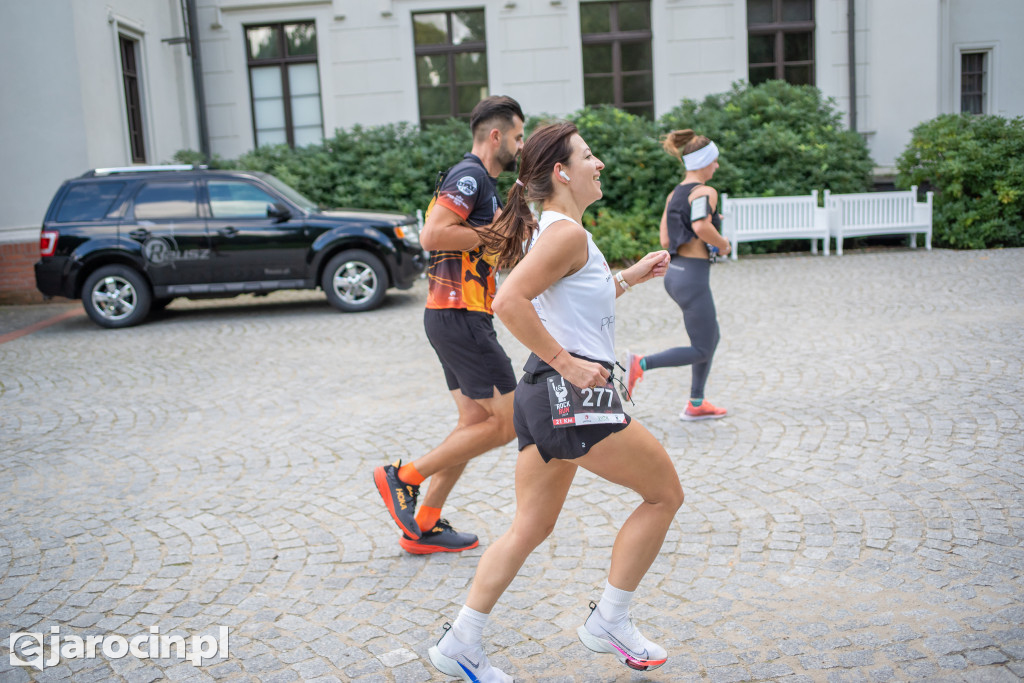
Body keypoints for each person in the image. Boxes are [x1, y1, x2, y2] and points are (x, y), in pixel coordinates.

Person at [427, 122, 684, 682]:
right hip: (568, 394)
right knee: (664, 495)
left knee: (529, 528)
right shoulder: (563, 234)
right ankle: (610, 621)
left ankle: (460, 643)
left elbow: (570, 302)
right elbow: (509, 301)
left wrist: (630, 278)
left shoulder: (558, 232)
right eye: (590, 156)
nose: (601, 165)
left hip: (541, 394)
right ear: (562, 172)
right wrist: (569, 363)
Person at [373, 96, 525, 555]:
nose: (520, 145)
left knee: (474, 422)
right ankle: (403, 477)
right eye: (518, 136)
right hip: (460, 316)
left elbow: (487, 249)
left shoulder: (488, 186)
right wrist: (494, 234)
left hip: (456, 315)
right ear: (495, 136)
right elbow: (433, 233)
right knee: (507, 424)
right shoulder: (470, 175)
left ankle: (423, 524)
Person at [624, 129, 732, 421]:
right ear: (704, 162)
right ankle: (641, 363)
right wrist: (723, 245)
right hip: (692, 278)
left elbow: (663, 239)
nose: (717, 167)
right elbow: (700, 225)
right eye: (715, 161)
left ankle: (697, 402)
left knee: (710, 338)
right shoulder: (706, 192)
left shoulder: (675, 194)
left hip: (676, 274)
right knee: (702, 347)